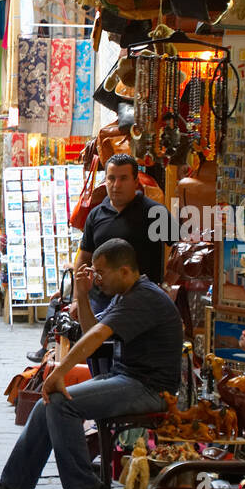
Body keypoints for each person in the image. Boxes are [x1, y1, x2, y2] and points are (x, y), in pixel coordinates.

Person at [0, 239, 182, 489]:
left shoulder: (143, 298)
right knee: (47, 404)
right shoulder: (126, 295)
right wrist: (83, 294)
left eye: (101, 273)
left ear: (126, 271)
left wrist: (58, 373)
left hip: (150, 388)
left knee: (61, 401)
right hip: (127, 378)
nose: (96, 278)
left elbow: (96, 337)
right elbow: (91, 329)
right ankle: (14, 486)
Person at [28, 153, 165, 366]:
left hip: (137, 300)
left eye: (123, 178)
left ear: (135, 181)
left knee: (129, 359)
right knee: (96, 356)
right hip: (99, 299)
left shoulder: (154, 212)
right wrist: (76, 298)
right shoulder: (96, 215)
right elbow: (84, 255)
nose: (116, 184)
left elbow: (181, 247)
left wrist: (169, 286)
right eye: (111, 178)